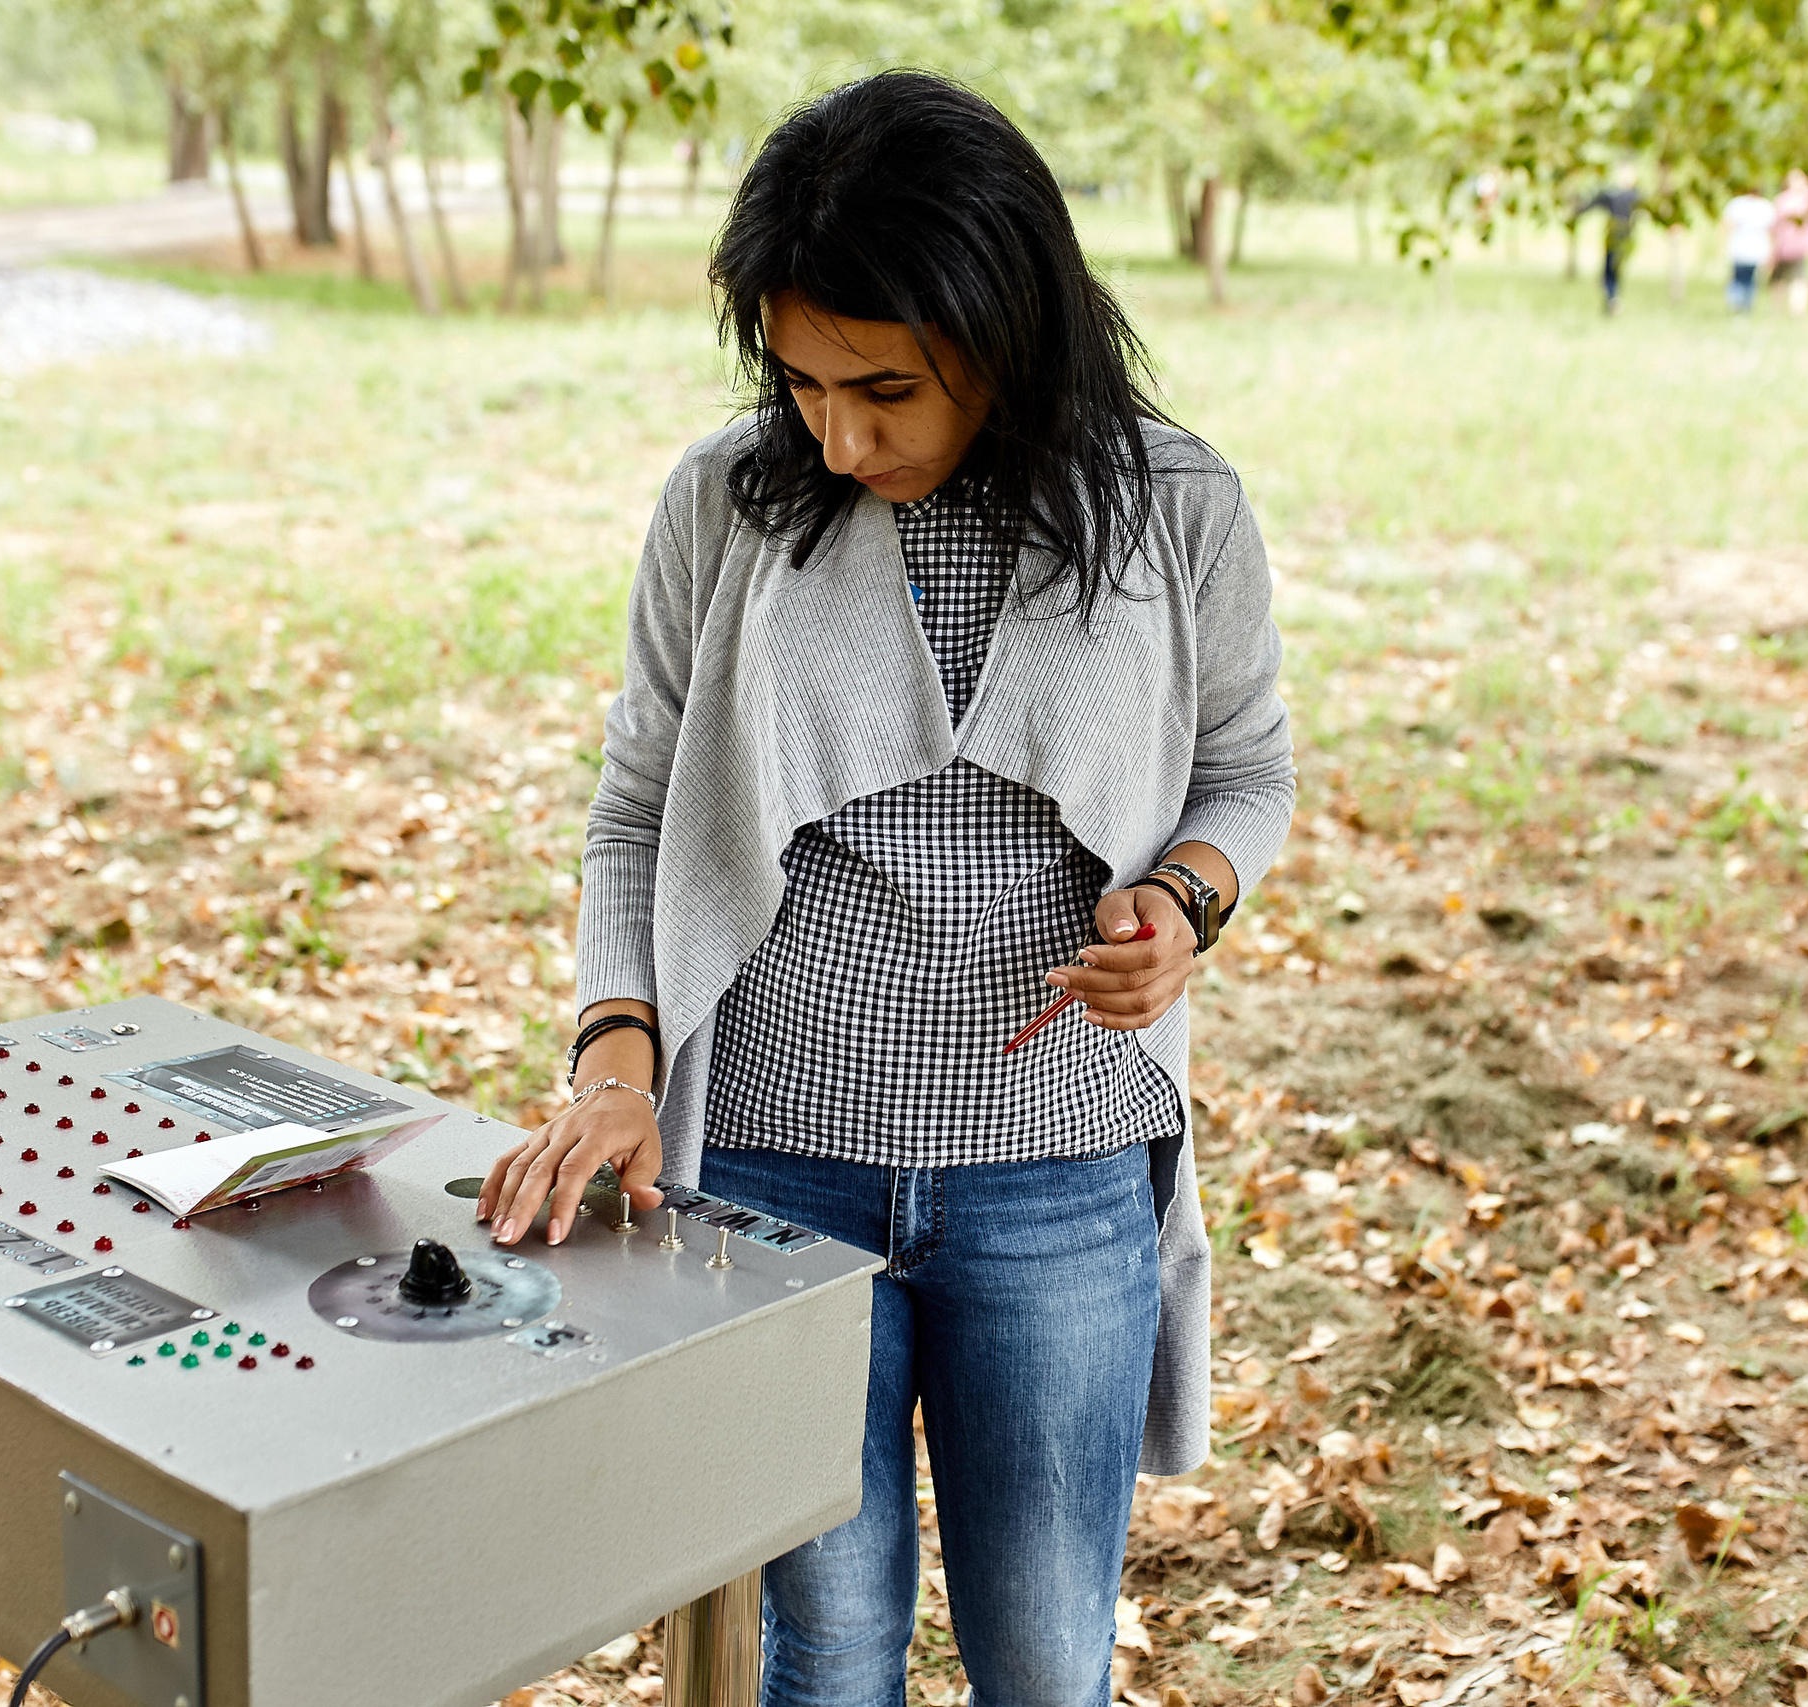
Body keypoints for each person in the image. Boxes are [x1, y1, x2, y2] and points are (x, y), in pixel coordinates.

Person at [473, 71, 1294, 1707]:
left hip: (1060, 1174)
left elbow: (1249, 772)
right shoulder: (724, 501)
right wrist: (616, 1061)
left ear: (1008, 335)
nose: (839, 438)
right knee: (826, 1651)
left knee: (1046, 1655)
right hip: (774, 1171)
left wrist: (1185, 906)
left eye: (886, 389)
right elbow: (635, 814)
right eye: (800, 384)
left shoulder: (1179, 509)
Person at [1574, 166, 1642, 315]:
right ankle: (1612, 300)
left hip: (1616, 238)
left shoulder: (1614, 195)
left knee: (1610, 272)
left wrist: (1576, 209)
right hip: (1625, 239)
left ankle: (1612, 300)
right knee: (1613, 271)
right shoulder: (1637, 196)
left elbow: (1588, 206)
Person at [1768, 169, 1808, 318]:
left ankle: (1797, 311)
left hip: (1799, 247)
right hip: (1783, 246)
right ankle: (1778, 310)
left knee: (1799, 280)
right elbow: (1775, 226)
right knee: (1780, 280)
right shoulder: (1784, 200)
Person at [1722, 186, 1776, 312]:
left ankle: (1739, 305)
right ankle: (1742, 305)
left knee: (1740, 278)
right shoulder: (1765, 206)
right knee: (1747, 279)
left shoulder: (1737, 204)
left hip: (1745, 249)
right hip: (1749, 250)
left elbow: (1727, 225)